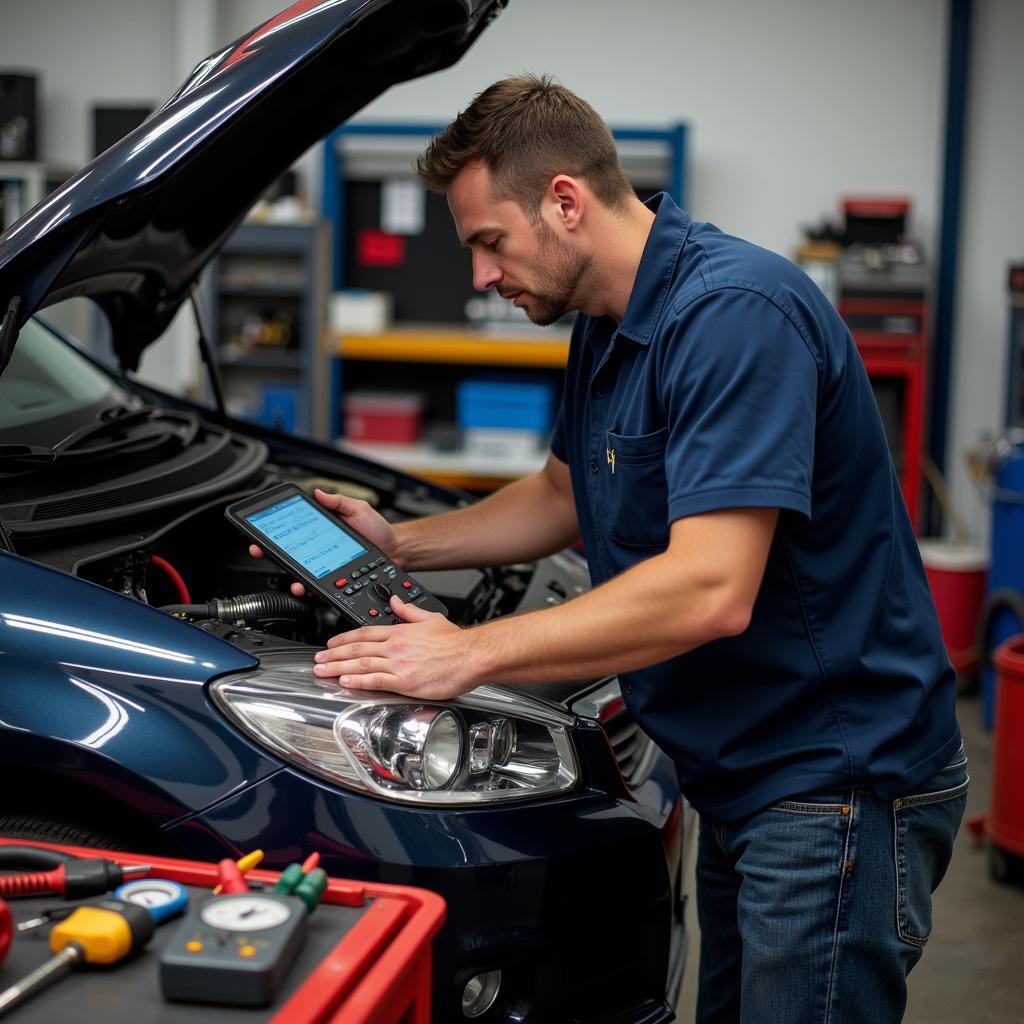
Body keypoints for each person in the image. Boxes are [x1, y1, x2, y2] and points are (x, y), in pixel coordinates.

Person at [263, 76, 967, 1022]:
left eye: (488, 243)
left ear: (564, 201)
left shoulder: (735, 318)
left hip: (833, 780)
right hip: (743, 772)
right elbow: (563, 493)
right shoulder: (606, 323)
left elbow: (711, 589)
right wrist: (402, 543)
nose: (480, 276)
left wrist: (465, 653)